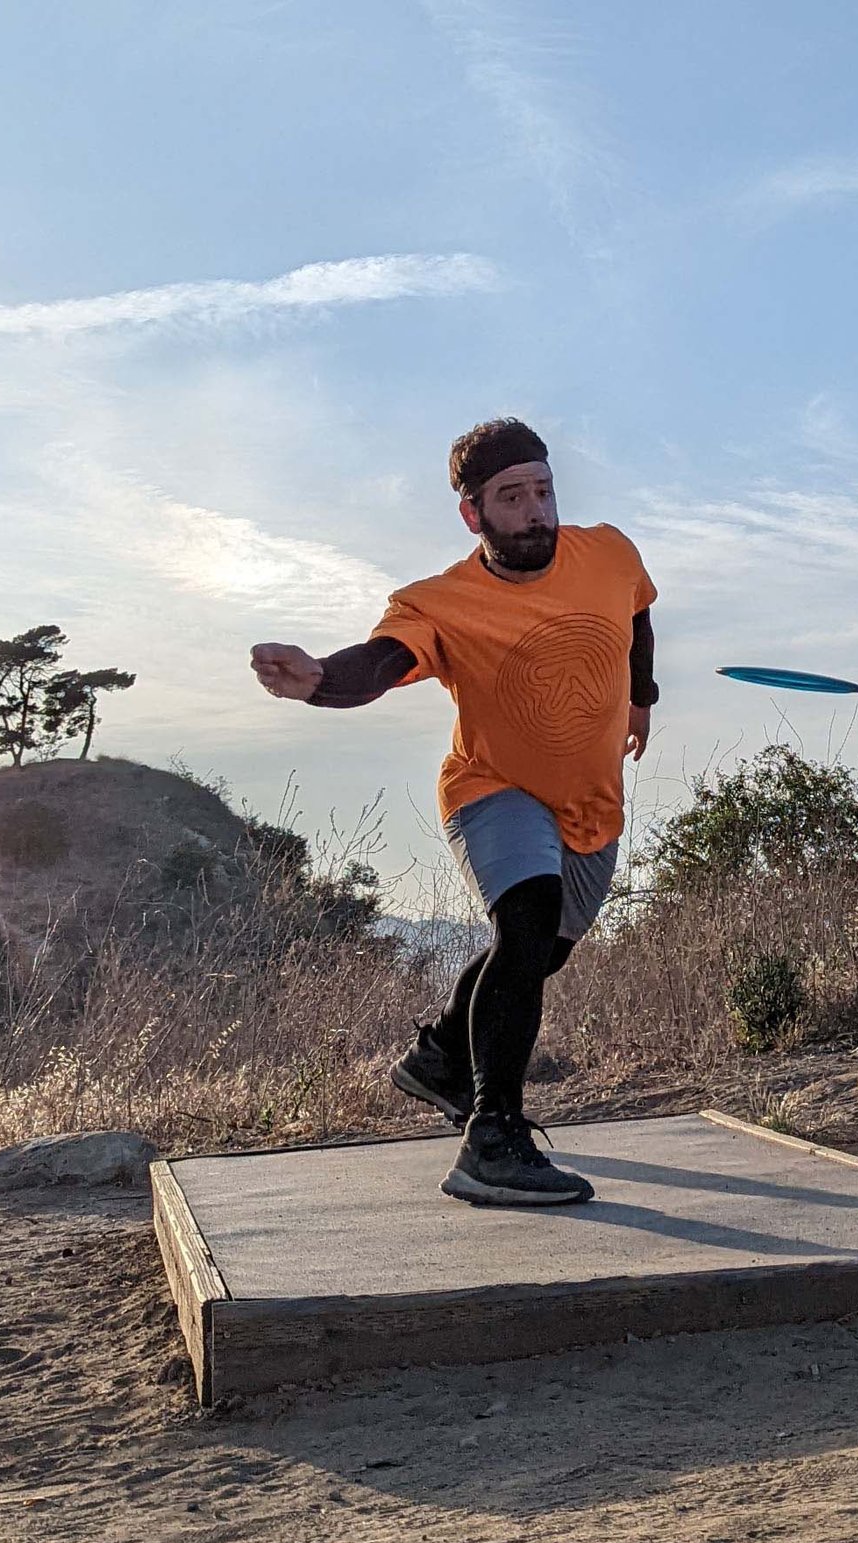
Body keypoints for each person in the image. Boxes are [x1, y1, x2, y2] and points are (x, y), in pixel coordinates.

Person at [250, 418, 659, 1206]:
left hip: (591, 800)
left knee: (541, 954)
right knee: (528, 920)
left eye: (543, 491)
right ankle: (492, 1137)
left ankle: (441, 1053)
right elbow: (381, 663)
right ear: (473, 514)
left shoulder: (608, 551)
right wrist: (317, 680)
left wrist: (641, 697)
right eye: (513, 498)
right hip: (491, 787)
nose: (536, 511)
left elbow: (637, 611)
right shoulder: (441, 603)